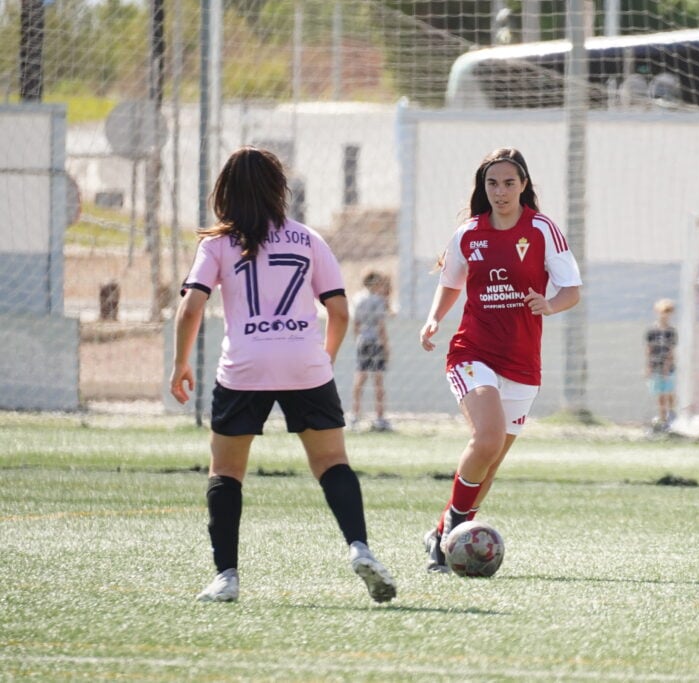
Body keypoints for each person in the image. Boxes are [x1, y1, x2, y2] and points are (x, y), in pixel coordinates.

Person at [169, 147, 396, 604]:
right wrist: (323, 359)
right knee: (332, 463)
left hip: (244, 366)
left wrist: (180, 363)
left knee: (226, 471)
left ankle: (226, 577)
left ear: (224, 192)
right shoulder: (308, 239)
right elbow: (338, 309)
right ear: (280, 190)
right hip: (304, 363)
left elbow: (192, 306)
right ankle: (360, 547)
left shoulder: (216, 244)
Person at [418, 147, 582, 573]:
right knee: (486, 438)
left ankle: (442, 534)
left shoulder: (544, 230)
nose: (501, 191)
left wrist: (549, 304)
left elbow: (571, 290)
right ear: (483, 187)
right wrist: (435, 318)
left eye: (509, 183)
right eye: (493, 183)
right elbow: (451, 282)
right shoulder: (469, 234)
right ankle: (453, 531)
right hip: (472, 352)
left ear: (524, 185)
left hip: (523, 364)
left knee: (489, 463)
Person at [351, 269, 392, 432]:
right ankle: (380, 417)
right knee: (378, 381)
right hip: (375, 341)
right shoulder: (378, 300)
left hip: (362, 341)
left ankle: (354, 415)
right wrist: (386, 346)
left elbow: (355, 324)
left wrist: (357, 341)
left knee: (360, 378)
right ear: (375, 283)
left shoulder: (357, 299)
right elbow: (381, 326)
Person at [645, 298, 678, 431]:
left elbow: (671, 350)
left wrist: (667, 366)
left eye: (668, 312)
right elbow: (649, 349)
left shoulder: (671, 331)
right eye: (663, 311)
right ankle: (663, 418)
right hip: (655, 365)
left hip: (667, 367)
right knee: (659, 393)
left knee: (669, 391)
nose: (665, 315)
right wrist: (648, 366)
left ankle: (671, 414)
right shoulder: (652, 331)